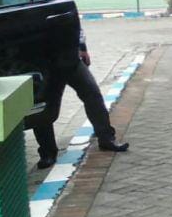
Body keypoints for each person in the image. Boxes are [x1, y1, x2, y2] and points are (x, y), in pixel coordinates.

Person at [34, 27, 130, 169]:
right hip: (42, 61)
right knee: (43, 105)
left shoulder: (59, 5)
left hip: (69, 58)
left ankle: (106, 138)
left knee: (92, 94)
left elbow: (75, 26)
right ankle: (47, 153)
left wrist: (82, 47)